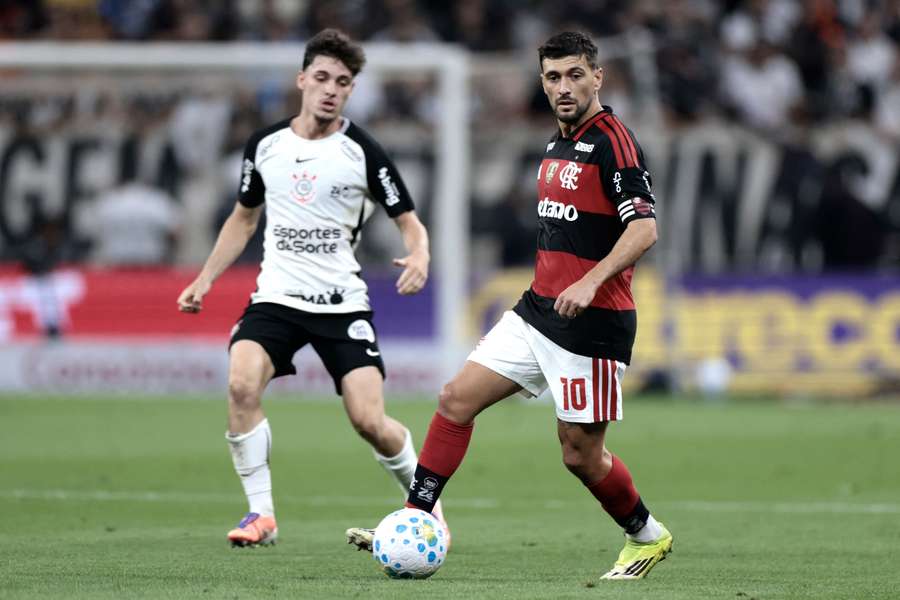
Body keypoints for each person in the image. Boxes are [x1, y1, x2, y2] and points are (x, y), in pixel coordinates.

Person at [347, 31, 672, 580]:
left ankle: (646, 536)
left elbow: (643, 229)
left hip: (592, 325)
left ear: (598, 76)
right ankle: (415, 520)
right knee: (454, 400)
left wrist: (590, 282)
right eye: (552, 77)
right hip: (536, 312)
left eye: (574, 75)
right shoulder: (555, 144)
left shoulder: (614, 142)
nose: (563, 87)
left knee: (579, 455)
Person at [176, 28, 445, 547]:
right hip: (276, 297)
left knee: (369, 421)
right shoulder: (266, 147)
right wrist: (206, 277)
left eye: (342, 83)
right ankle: (261, 515)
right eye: (321, 78)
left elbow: (408, 220)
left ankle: (428, 508)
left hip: (341, 303)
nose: (330, 89)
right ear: (302, 80)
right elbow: (242, 218)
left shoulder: (362, 151)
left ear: (350, 91)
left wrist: (420, 252)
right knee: (240, 385)